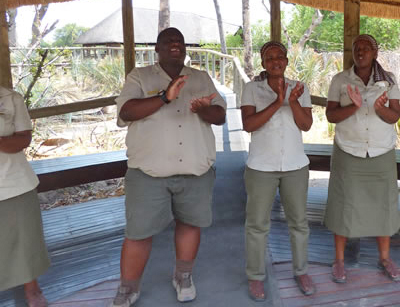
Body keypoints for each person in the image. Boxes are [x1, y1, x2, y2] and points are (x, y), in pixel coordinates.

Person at [110, 27, 226, 306]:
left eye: (179, 41)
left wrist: (202, 110)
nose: (175, 44)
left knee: (190, 224)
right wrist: (164, 97)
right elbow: (126, 112)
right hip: (150, 172)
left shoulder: (200, 77)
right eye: (168, 41)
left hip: (195, 170)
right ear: (157, 49)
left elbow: (220, 115)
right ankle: (129, 287)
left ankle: (183, 276)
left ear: (185, 49)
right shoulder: (140, 76)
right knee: (138, 233)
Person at [324, 34, 400, 283]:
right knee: (343, 204)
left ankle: (385, 258)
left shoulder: (389, 80)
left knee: (384, 205)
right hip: (348, 150)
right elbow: (331, 116)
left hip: (381, 151)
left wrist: (380, 108)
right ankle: (339, 260)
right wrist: (354, 107)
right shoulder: (340, 80)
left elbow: (395, 116)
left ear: (375, 52)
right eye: (357, 48)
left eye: (367, 48)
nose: (361, 52)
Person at [241, 41, 315, 301]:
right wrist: (278, 101)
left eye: (280, 56)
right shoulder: (252, 89)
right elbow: (249, 124)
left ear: (286, 60)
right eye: (269, 57)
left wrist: (292, 102)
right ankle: (256, 276)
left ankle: (301, 271)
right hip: (261, 166)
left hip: (295, 165)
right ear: (263, 63)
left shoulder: (299, 88)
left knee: (299, 223)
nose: (275, 61)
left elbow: (306, 124)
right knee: (257, 225)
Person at [0, 86, 50, 307]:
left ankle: (32, 289)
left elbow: (23, 139)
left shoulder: (10, 98)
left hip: (14, 181)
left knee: (25, 239)